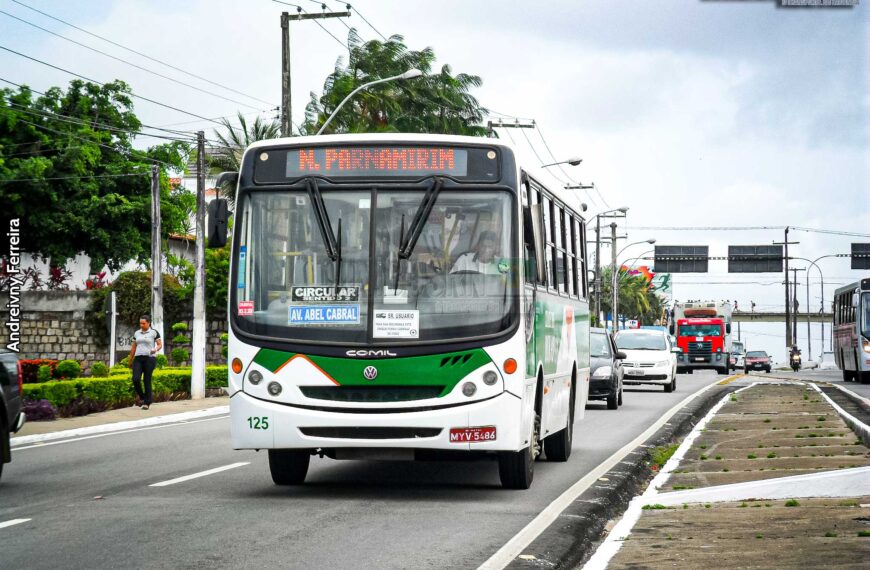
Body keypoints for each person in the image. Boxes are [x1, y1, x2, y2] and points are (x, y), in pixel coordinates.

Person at [129, 314, 162, 410]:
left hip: (149, 358)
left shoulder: (154, 332)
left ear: (148, 323)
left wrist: (155, 349)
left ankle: (147, 403)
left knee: (147, 380)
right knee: (135, 379)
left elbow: (160, 344)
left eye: (143, 323)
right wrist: (130, 360)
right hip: (138, 358)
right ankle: (143, 397)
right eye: (140, 323)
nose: (141, 325)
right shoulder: (137, 333)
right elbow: (133, 347)